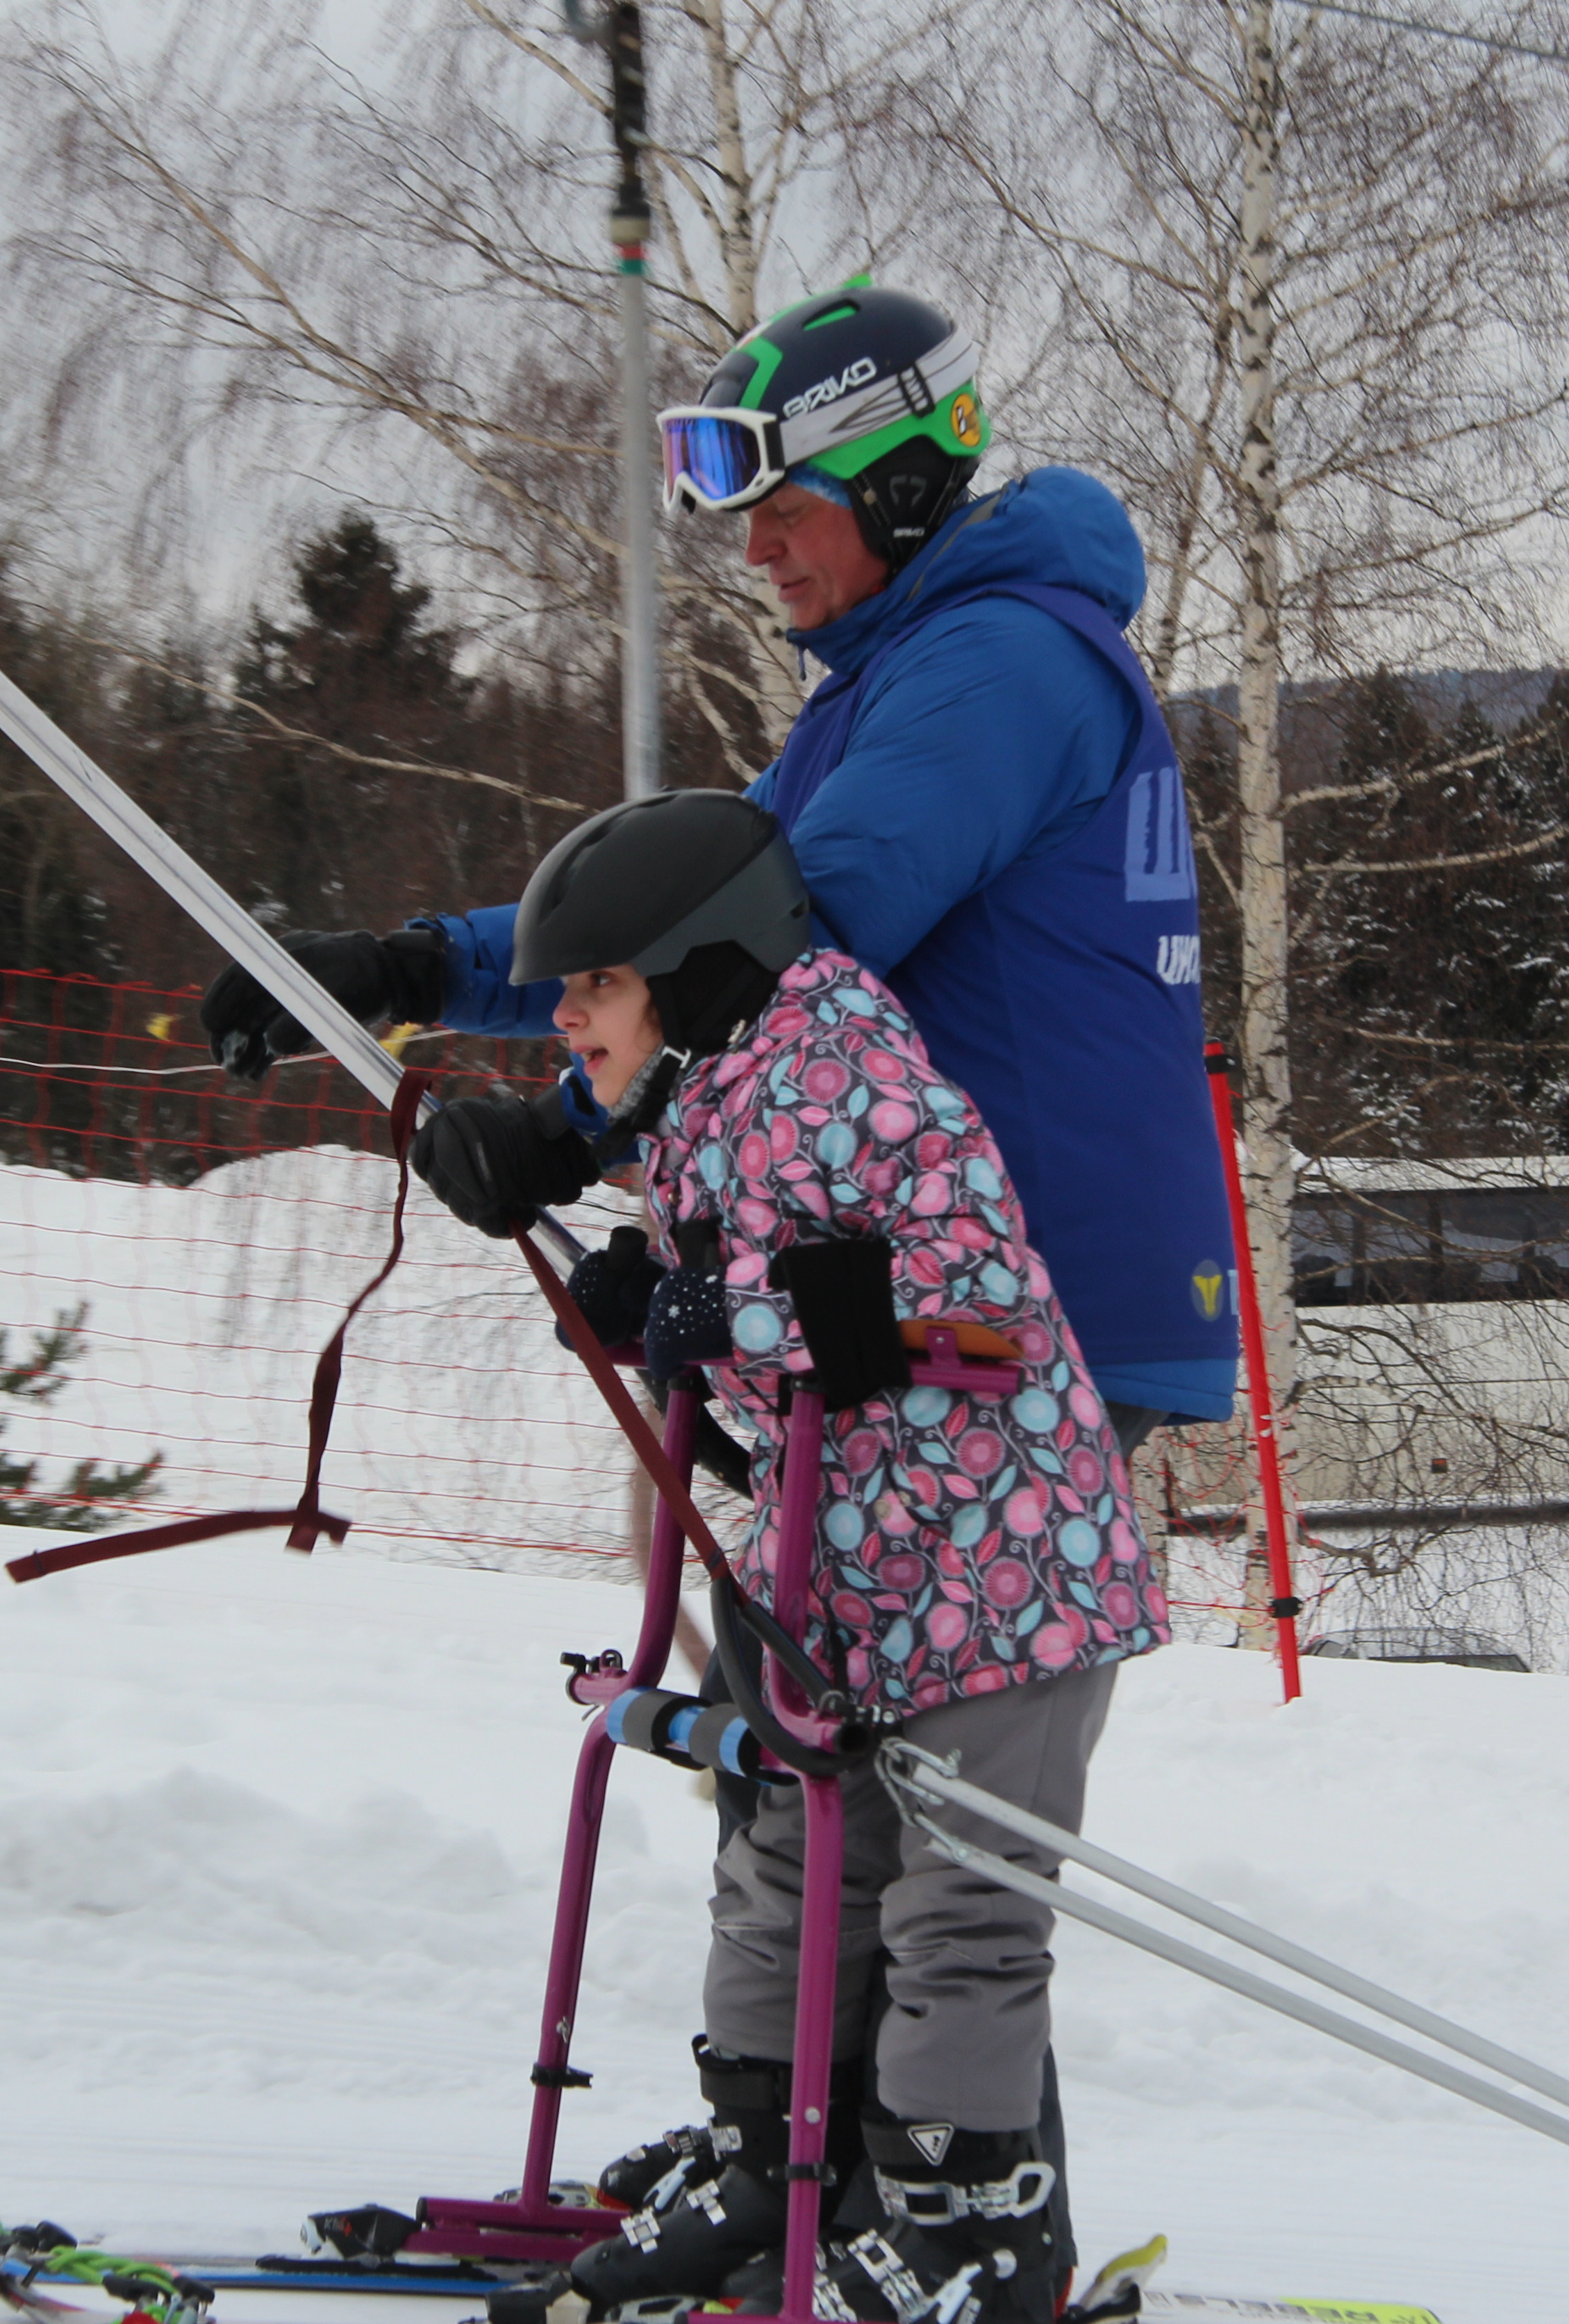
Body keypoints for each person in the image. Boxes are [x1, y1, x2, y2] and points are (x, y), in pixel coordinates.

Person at [197, 279, 1238, 1451]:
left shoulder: (1004, 665)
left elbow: (778, 959)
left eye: (786, 506)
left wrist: (565, 1131)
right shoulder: (893, 680)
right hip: (951, 1278)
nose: (754, 549)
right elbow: (677, 917)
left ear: (895, 482)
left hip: (1032, 1288)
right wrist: (415, 971)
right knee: (789, 1634)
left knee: (857, 1639)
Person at [488, 789, 1165, 2324]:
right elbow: (787, 1297)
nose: (566, 1017)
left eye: (593, 983)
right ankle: (771, 2167)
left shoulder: (838, 1070)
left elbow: (965, 1305)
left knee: (963, 1913)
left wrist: (723, 1315)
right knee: (795, 1869)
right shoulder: (720, 1093)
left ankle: (957, 2228)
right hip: (858, 1586)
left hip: (1003, 1579)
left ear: (693, 963)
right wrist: (650, 1295)